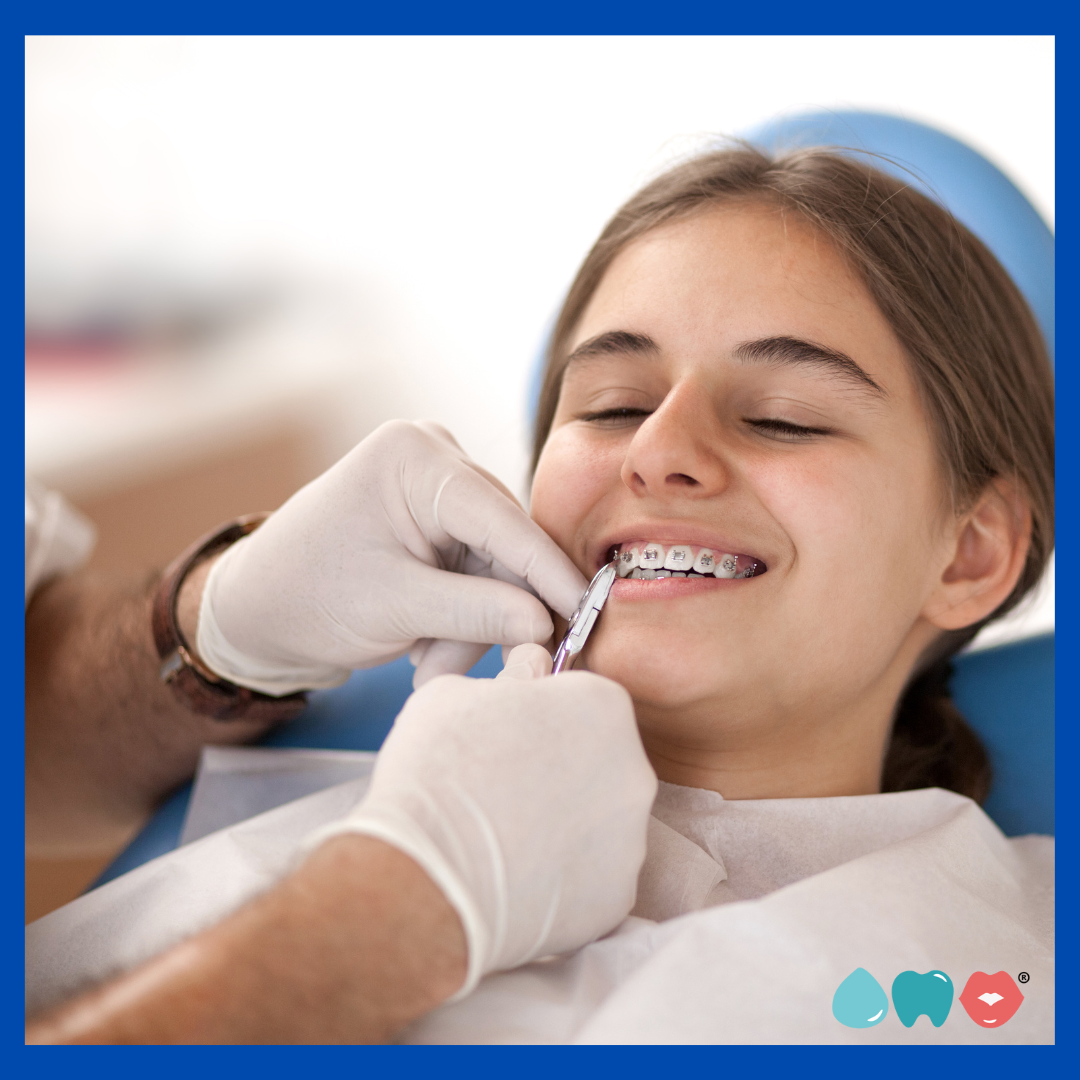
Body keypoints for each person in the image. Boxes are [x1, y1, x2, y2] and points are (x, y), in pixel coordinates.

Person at [27, 144, 1054, 1043]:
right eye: (611, 404)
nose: (655, 453)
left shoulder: (981, 986)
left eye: (784, 417)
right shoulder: (374, 816)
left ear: (970, 553)